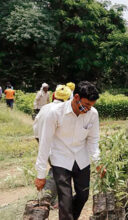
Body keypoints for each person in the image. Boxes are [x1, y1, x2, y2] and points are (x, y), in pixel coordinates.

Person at [35, 81, 104, 220]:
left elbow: (93, 140)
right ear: (76, 97)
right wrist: (40, 174)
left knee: (83, 196)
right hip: (60, 159)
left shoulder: (92, 114)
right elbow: (45, 143)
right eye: (86, 105)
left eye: (92, 106)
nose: (88, 109)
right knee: (65, 201)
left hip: (82, 159)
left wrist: (98, 162)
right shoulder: (55, 113)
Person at [33, 85, 72, 206]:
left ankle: (52, 197)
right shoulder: (63, 112)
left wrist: (40, 140)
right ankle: (48, 197)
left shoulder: (45, 108)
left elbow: (35, 127)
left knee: (57, 169)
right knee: (57, 170)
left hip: (42, 140)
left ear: (54, 95)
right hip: (55, 144)